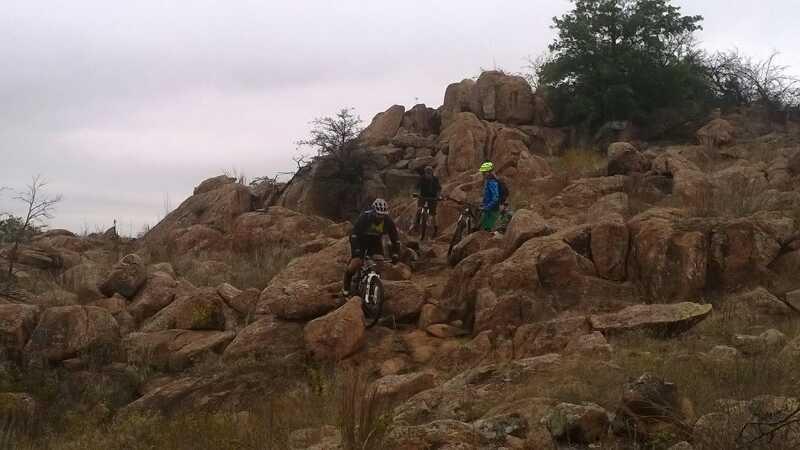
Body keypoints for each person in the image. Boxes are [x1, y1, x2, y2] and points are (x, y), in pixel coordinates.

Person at [342, 198, 400, 297]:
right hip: (360, 240)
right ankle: (346, 287)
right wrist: (357, 251)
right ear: (373, 212)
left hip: (375, 241)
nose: (380, 217)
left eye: (383, 215)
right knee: (357, 262)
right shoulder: (365, 217)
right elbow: (354, 234)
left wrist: (395, 253)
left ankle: (373, 283)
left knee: (380, 262)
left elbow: (395, 239)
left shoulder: (387, 221)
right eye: (378, 214)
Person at [413, 166, 442, 235]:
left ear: (432, 173)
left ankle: (435, 230)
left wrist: (438, 196)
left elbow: (439, 189)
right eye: (427, 173)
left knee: (433, 215)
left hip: (433, 198)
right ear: (425, 173)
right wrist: (416, 193)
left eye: (430, 173)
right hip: (422, 197)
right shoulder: (422, 178)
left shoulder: (435, 179)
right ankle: (416, 225)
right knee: (419, 209)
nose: (428, 175)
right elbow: (417, 187)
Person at [479, 161, 501, 231]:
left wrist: (487, 207)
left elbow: (495, 198)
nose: (482, 174)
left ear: (488, 173)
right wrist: (483, 204)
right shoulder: (488, 181)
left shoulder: (492, 182)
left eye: (483, 172)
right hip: (488, 209)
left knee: (487, 230)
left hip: (492, 210)